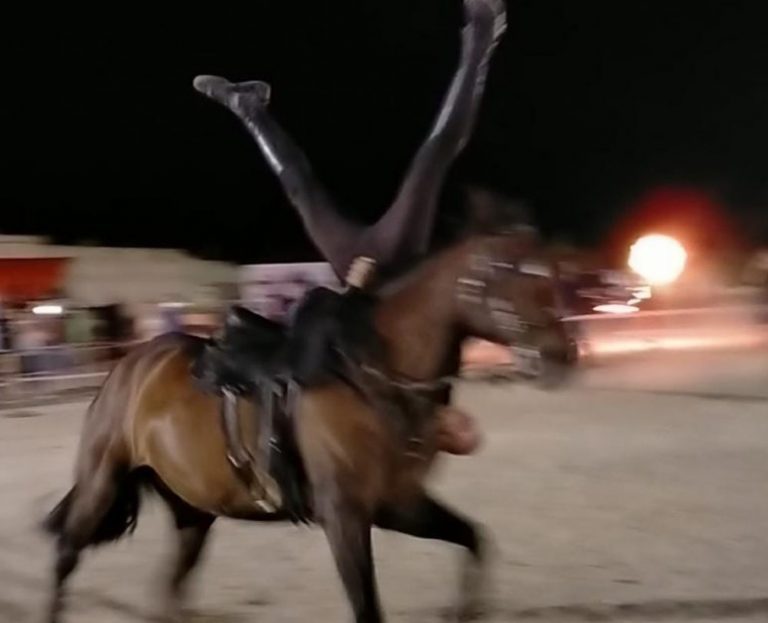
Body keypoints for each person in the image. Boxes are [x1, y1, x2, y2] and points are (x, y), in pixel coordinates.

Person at [194, 0, 507, 280]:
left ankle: (247, 107)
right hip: (390, 266)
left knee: (301, 189)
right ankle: (481, 34)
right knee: (431, 160)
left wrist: (356, 290)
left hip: (356, 267)